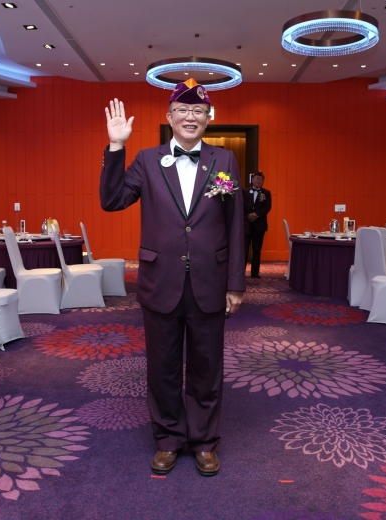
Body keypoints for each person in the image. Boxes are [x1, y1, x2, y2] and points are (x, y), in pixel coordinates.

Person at [100, 79, 245, 477]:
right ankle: (167, 439)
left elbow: (235, 224)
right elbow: (112, 201)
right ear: (169, 117)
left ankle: (204, 441)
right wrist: (116, 146)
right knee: (162, 367)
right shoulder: (147, 160)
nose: (190, 117)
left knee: (206, 368)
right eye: (182, 110)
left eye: (198, 111)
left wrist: (235, 283)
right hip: (160, 281)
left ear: (208, 118)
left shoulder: (224, 160)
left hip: (209, 281)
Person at [243, 171, 271, 278]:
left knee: (257, 250)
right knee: (244, 249)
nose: (259, 180)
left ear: (263, 181)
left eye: (261, 179)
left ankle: (255, 273)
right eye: (257, 178)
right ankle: (241, 271)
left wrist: (256, 214)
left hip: (259, 226)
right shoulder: (245, 192)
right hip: (247, 225)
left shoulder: (266, 193)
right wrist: (248, 215)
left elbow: (267, 207)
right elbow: (241, 205)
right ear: (252, 180)